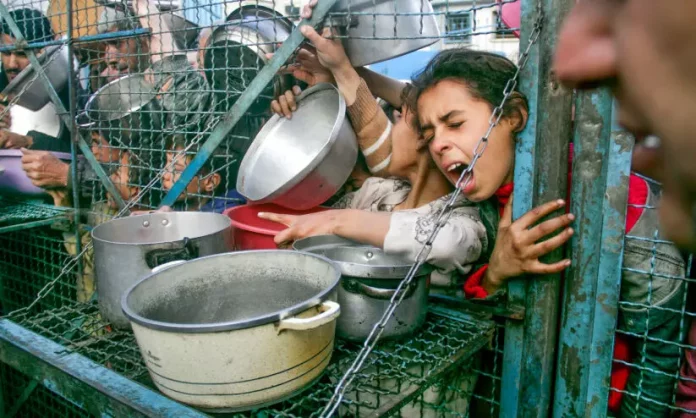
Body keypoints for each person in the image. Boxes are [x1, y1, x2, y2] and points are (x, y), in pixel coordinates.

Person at [400, 47, 685, 417]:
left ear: (513, 116)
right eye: (429, 135)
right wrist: (496, 274)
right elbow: (487, 341)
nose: (438, 144)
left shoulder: (620, 202)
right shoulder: (478, 205)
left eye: (454, 124)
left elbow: (658, 354)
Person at [261, 25, 487, 415]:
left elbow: (447, 243)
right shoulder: (382, 192)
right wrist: (299, 123)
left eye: (396, 120)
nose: (384, 127)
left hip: (419, 397)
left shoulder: (463, 218)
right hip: (349, 384)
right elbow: (304, 208)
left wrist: (339, 222)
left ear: (424, 140)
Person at [0, 8, 84, 153]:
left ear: (44, 53)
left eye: (22, 54)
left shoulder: (66, 92)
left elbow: (80, 153)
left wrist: (29, 141)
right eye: (6, 53)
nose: (12, 64)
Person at [161, 134, 246, 212]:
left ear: (210, 182)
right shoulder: (179, 203)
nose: (164, 175)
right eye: (166, 163)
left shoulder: (224, 214)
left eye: (176, 170)